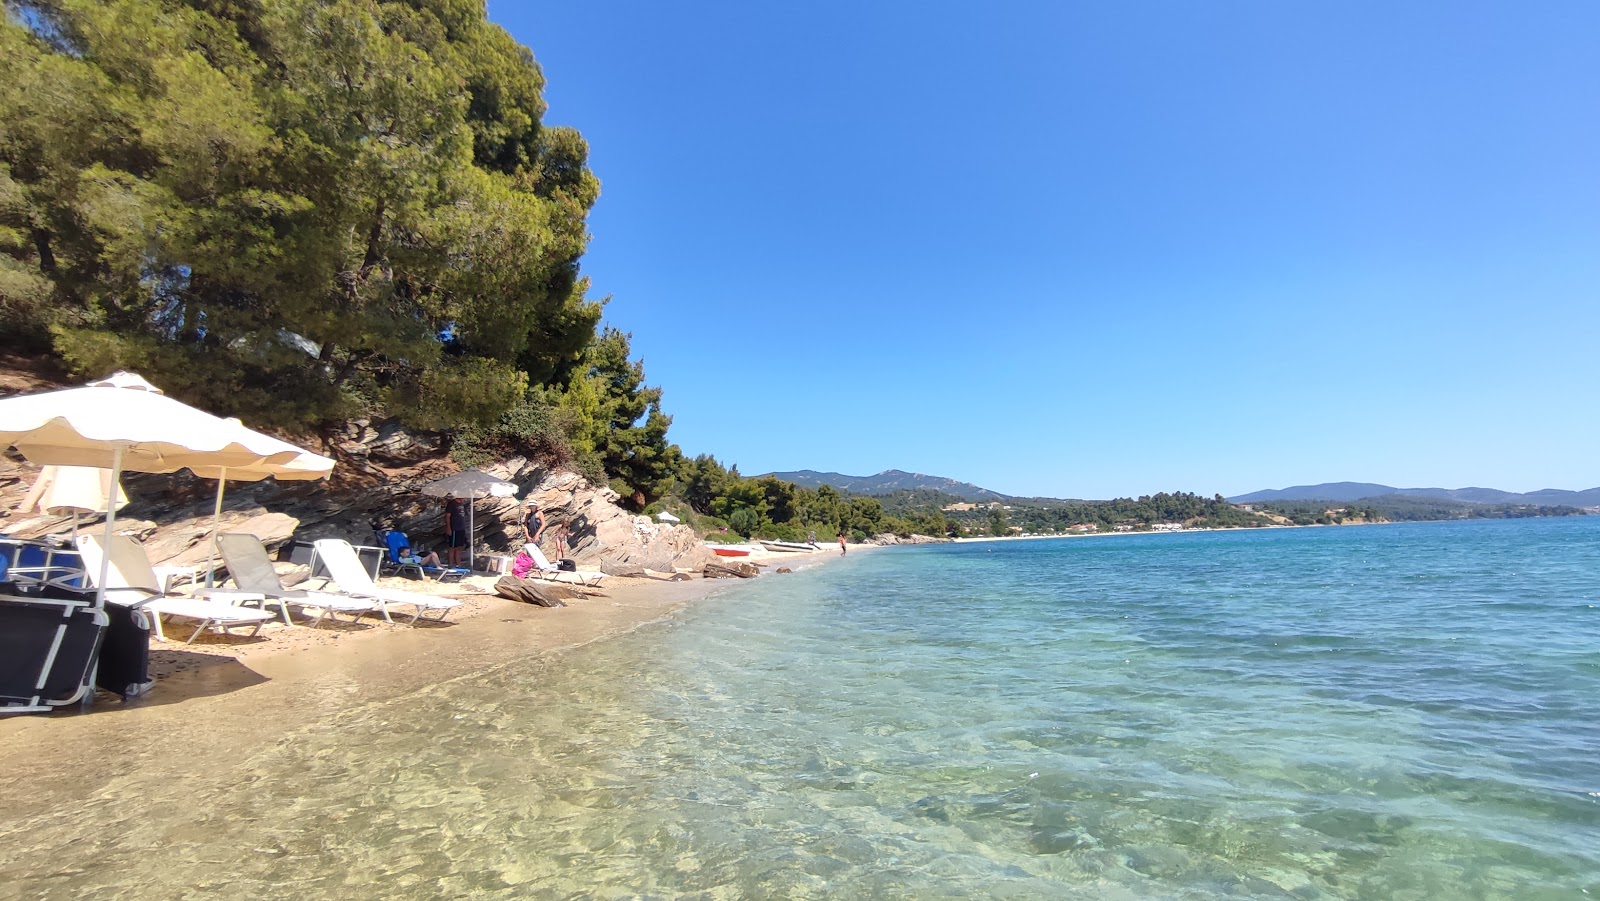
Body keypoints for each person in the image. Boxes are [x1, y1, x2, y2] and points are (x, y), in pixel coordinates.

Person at [445, 496, 468, 567]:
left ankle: (458, 564)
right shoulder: (452, 504)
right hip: (454, 528)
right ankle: (450, 564)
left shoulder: (461, 504)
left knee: (459, 547)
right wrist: (449, 528)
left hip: (461, 528)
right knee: (452, 547)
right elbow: (447, 516)